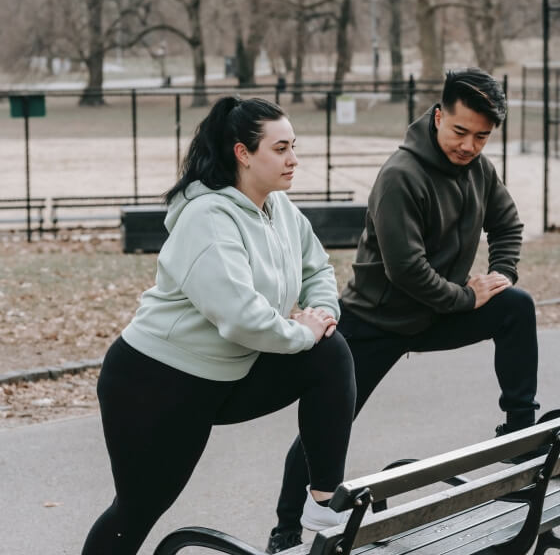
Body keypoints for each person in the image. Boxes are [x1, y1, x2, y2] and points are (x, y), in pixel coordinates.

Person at [266, 68, 541, 553]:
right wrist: (466, 297)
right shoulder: (401, 176)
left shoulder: (480, 169)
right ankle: (287, 526)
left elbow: (508, 225)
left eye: (481, 136)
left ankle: (520, 431)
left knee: (515, 306)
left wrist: (502, 277)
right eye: (460, 132)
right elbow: (406, 270)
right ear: (438, 116)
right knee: (330, 423)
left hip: (438, 311)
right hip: (377, 320)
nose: (469, 146)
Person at [81, 96, 357, 555]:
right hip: (153, 384)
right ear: (243, 153)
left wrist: (322, 316)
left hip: (226, 375)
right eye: (281, 148)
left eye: (294, 146)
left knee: (330, 353)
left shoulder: (279, 208)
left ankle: (325, 498)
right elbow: (240, 317)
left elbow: (318, 270)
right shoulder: (207, 217)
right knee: (137, 509)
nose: (294, 159)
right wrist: (301, 332)